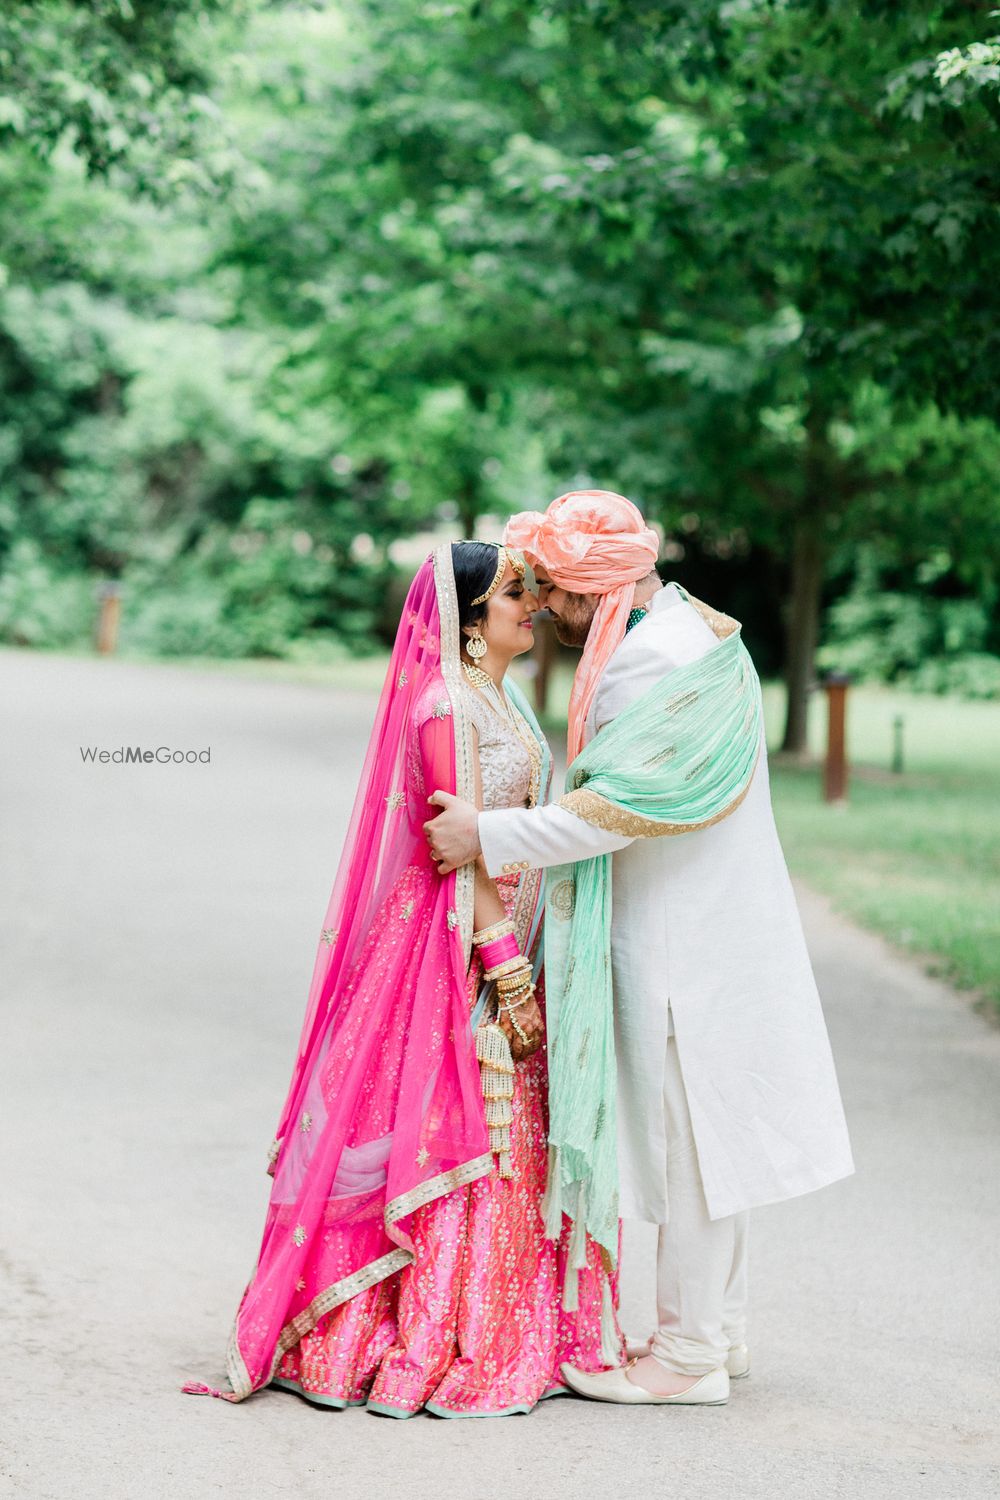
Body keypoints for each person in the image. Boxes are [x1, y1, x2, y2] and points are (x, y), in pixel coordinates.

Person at [426, 491, 855, 1407]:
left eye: (554, 591)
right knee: (715, 1137)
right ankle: (721, 1329)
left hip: (681, 942)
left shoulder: (644, 665)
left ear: (591, 589)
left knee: (685, 1147)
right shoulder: (692, 628)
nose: (546, 609)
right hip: (718, 927)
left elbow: (612, 814)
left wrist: (488, 836)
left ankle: (688, 1357)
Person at [184, 540, 622, 1417]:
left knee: (500, 1136)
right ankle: (408, 1332)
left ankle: (481, 1317)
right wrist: (505, 972)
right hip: (446, 950)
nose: (529, 604)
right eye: (510, 593)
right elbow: (453, 850)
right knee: (441, 1122)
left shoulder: (499, 696)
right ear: (467, 621)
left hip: (500, 939)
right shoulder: (442, 705)